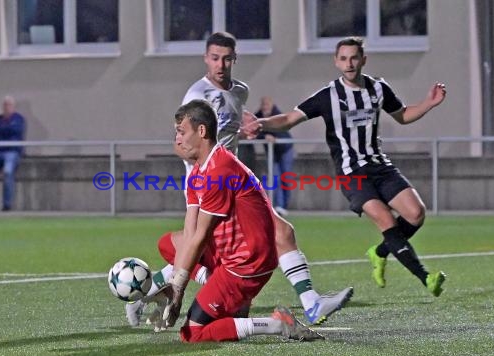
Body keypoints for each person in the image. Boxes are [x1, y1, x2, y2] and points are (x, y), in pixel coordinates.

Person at [126, 32, 353, 329]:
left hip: (233, 181)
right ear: (206, 58)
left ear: (235, 59)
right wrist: (201, 172)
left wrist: (246, 126)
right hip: (212, 185)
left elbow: (231, 119)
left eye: (227, 58)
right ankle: (148, 293)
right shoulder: (196, 95)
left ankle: (310, 304)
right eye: (215, 58)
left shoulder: (239, 91)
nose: (221, 65)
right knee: (202, 247)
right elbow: (182, 139)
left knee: (277, 232)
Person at [246, 37, 447, 296]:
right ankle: (426, 277)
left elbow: (403, 115)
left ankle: (380, 251)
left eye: (354, 58)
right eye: (343, 58)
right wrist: (261, 123)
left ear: (363, 59)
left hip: (380, 165)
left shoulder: (378, 89)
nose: (349, 63)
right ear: (336, 61)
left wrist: (428, 104)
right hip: (352, 173)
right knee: (386, 220)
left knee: (416, 214)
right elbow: (289, 119)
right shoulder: (328, 95)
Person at [160, 99, 323, 342]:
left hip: (246, 265)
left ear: (201, 131)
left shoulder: (219, 170)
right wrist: (174, 285)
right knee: (167, 243)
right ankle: (224, 294)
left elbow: (200, 236)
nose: (178, 140)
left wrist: (178, 290)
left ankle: (277, 324)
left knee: (191, 335)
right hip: (232, 254)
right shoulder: (197, 172)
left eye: (182, 132)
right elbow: (190, 230)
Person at [255, 96, 295, 217]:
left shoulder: (278, 115)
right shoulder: (257, 116)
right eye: (263, 105)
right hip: (271, 152)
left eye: (267, 105)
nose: (265, 108)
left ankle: (285, 205)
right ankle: (279, 206)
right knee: (275, 178)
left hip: (285, 150)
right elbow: (254, 132)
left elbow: (283, 129)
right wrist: (264, 137)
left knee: (286, 178)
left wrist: (275, 137)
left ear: (272, 105)